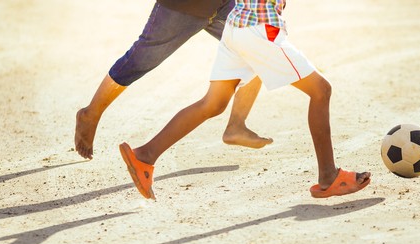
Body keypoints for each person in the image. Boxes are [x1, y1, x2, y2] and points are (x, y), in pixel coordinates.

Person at [119, 0, 371, 200]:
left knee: (213, 104)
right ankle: (329, 177)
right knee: (320, 91)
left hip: (237, 25)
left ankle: (145, 155)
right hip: (259, 30)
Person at [75, 0, 273, 160]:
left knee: (259, 49)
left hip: (228, 4)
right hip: (184, 5)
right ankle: (91, 113)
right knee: (141, 59)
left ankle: (236, 125)